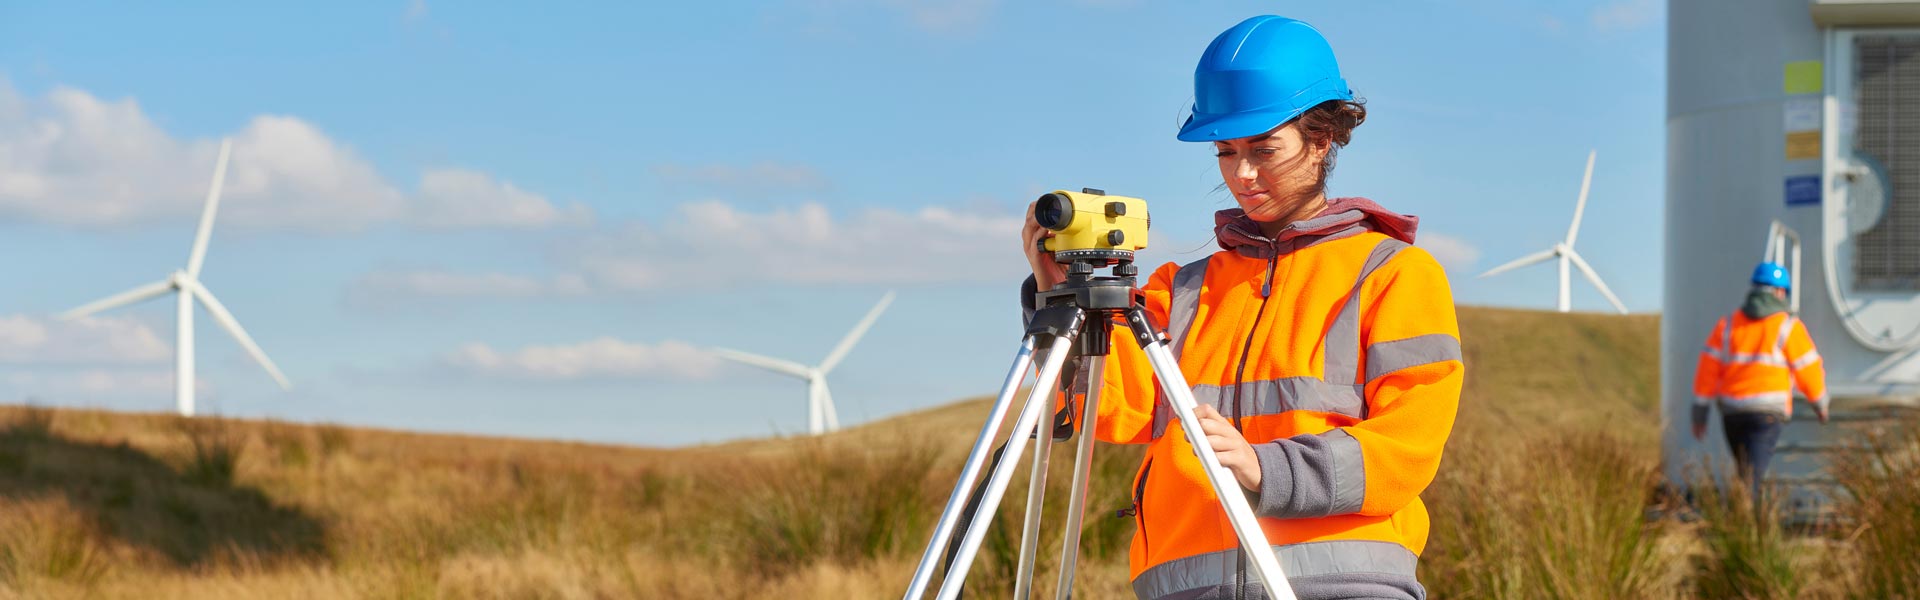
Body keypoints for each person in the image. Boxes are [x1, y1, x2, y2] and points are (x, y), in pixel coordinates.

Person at [1020, 15, 1462, 600]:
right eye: (1226, 152)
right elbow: (1107, 408)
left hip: (1342, 586)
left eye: (1263, 149)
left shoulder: (1392, 274)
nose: (1242, 174)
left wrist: (1267, 469)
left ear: (1322, 138)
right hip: (1187, 587)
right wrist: (1054, 294)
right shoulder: (1180, 289)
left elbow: (1407, 446)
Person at [1691, 261, 1830, 498]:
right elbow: (1808, 369)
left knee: (1745, 474)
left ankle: (1743, 523)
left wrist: (1699, 412)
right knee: (1751, 480)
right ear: (1780, 292)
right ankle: (1746, 527)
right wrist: (1820, 403)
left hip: (1732, 413)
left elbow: (1707, 370)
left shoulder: (1728, 326)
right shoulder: (1787, 326)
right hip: (1766, 415)